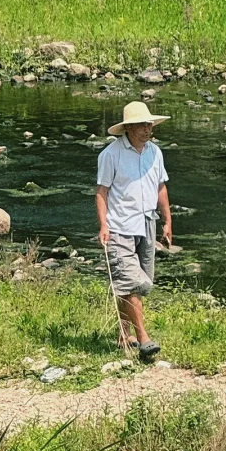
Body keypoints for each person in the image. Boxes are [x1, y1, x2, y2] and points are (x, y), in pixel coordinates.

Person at [95, 101, 173, 359]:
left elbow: (160, 187)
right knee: (132, 282)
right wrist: (104, 225)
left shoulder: (155, 152)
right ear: (128, 128)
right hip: (119, 227)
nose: (148, 128)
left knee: (134, 285)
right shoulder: (110, 155)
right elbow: (102, 192)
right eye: (142, 124)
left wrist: (167, 220)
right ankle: (144, 340)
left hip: (146, 224)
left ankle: (123, 333)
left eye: (150, 123)